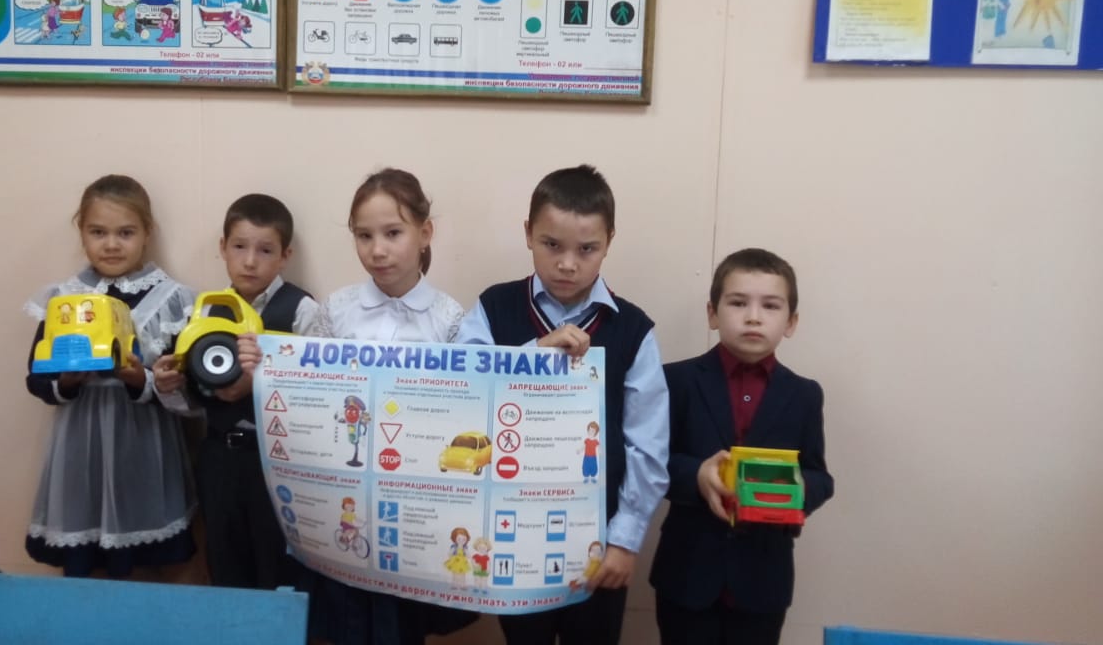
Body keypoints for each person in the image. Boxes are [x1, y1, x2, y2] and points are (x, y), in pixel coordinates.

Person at [242, 168, 477, 644]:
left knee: (401, 625)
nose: (378, 250)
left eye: (393, 233)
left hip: (412, 509)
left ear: (425, 233)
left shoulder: (451, 319)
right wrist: (264, 369)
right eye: (364, 236)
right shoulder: (336, 310)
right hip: (342, 501)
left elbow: (464, 407)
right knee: (345, 619)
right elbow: (304, 392)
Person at [455, 164, 670, 645]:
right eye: (552, 245)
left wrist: (626, 539)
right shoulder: (493, 308)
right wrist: (533, 357)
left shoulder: (633, 330)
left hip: (598, 541)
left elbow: (648, 446)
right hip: (510, 531)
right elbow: (464, 393)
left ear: (609, 242)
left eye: (586, 249)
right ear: (528, 234)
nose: (568, 264)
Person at [649, 248, 834, 645]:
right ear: (712, 314)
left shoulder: (804, 394)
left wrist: (799, 489)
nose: (753, 317)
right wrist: (696, 475)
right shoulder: (676, 381)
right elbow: (650, 464)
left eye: (770, 306)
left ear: (791, 322)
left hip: (763, 580)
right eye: (737, 303)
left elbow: (820, 475)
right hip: (687, 574)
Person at [23, 174, 197, 578]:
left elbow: (184, 388)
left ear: (147, 233)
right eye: (98, 232)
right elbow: (36, 377)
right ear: (81, 232)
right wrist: (67, 382)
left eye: (126, 232)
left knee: (142, 565)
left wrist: (141, 380)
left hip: (142, 441)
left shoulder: (172, 300)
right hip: (80, 443)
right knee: (82, 565)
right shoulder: (64, 299)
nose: (112, 244)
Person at [154, 194, 319, 590]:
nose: (250, 261)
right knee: (226, 564)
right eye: (239, 247)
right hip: (219, 457)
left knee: (281, 568)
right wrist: (167, 386)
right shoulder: (203, 313)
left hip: (280, 462)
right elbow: (190, 403)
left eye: (265, 250)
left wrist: (257, 383)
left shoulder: (302, 310)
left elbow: (317, 394)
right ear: (223, 248)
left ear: (285, 255)